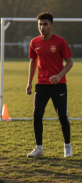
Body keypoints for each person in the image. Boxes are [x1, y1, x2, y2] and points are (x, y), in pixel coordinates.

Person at [26, 12, 73, 158]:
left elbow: (70, 62)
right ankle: (39, 148)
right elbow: (33, 62)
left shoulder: (60, 42)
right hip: (42, 85)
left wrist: (59, 76)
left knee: (62, 116)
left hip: (59, 85)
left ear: (52, 26)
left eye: (45, 24)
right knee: (37, 115)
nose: (42, 27)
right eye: (40, 24)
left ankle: (67, 147)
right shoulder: (34, 42)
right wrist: (29, 83)